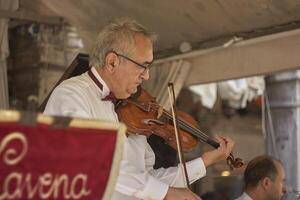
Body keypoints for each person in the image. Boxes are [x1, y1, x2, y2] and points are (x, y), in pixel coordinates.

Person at [44, 18, 235, 200]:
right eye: (142, 67)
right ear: (112, 62)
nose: (147, 76)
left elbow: (146, 181)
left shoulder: (132, 113)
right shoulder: (70, 96)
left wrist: (204, 162)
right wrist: (165, 192)